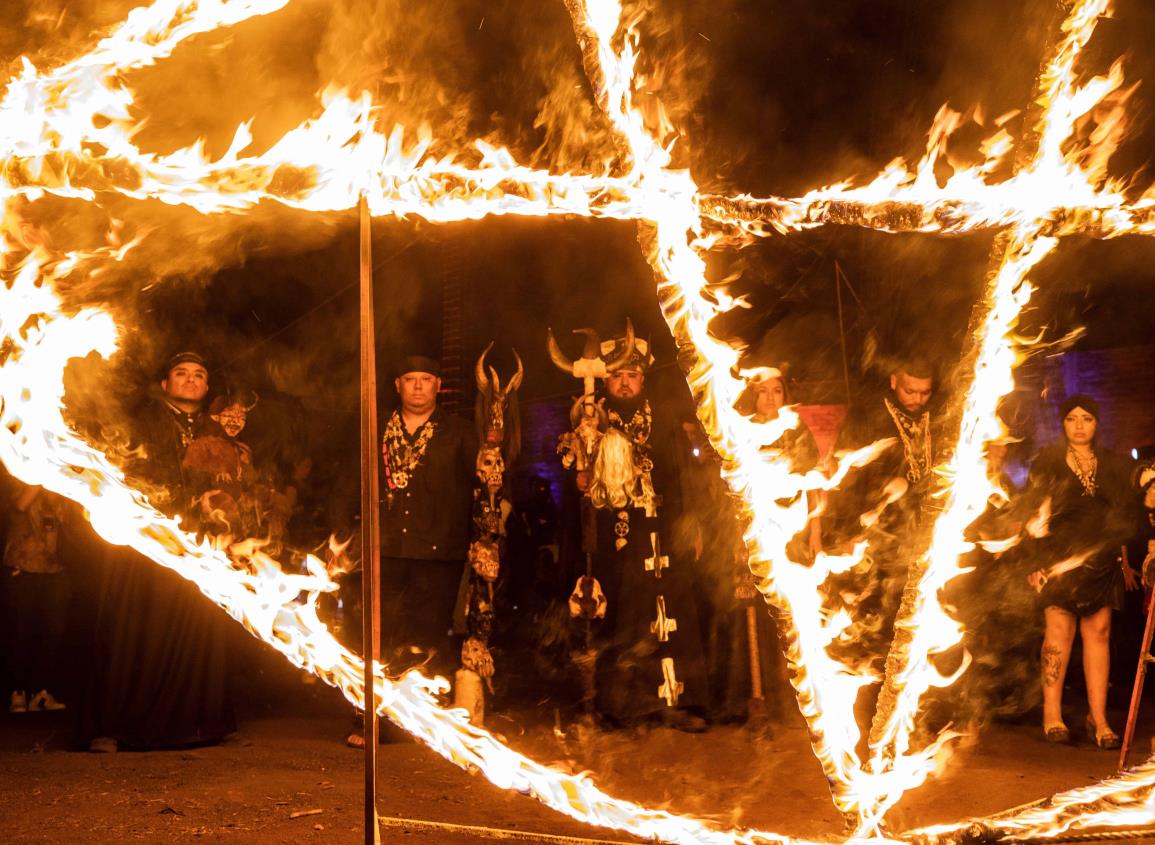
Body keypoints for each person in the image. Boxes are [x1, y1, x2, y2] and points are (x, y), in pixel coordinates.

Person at [77, 351, 235, 752]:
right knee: (134, 630)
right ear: (165, 384)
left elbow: (231, 486)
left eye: (199, 374)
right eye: (181, 373)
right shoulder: (140, 423)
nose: (190, 379)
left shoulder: (215, 432)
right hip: (145, 539)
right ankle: (113, 727)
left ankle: (190, 725)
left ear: (206, 387)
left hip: (198, 545)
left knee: (195, 627)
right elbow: (126, 474)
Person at [556, 332, 709, 731]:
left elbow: (683, 474)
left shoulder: (664, 419)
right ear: (605, 380)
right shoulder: (591, 421)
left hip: (663, 525)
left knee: (673, 615)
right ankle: (629, 707)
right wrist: (581, 468)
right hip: (617, 533)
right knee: (627, 616)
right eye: (618, 375)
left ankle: (679, 703)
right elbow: (572, 474)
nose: (625, 382)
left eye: (632, 376)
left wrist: (691, 520)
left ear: (643, 380)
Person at [1024, 394, 1137, 748]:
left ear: (1097, 424)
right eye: (1071, 418)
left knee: (1099, 633)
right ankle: (1052, 714)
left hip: (1099, 560)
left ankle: (1098, 717)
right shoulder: (1049, 462)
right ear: (1062, 423)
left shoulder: (1112, 464)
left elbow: (1124, 512)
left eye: (1086, 418)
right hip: (1058, 559)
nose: (1078, 425)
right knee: (1058, 632)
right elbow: (1033, 514)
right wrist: (1034, 562)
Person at [378, 355, 477, 680]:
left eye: (425, 379)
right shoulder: (375, 428)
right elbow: (353, 484)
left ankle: (424, 721)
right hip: (386, 552)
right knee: (383, 636)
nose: (418, 386)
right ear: (398, 385)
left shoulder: (460, 433)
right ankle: (373, 716)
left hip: (438, 556)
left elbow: (486, 488)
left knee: (429, 638)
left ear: (438, 385)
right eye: (410, 379)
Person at [4, 484, 71, 714]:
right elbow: (20, 504)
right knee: (21, 631)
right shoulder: (21, 473)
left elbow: (65, 516)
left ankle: (41, 693)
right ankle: (18, 692)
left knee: (53, 632)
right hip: (23, 565)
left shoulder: (60, 481)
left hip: (54, 567)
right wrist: (42, 474)